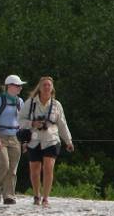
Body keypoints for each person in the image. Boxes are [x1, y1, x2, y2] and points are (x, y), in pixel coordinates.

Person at [18, 77, 74, 207]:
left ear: (52, 88)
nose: (47, 87)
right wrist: (32, 123)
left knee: (48, 168)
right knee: (35, 169)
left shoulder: (56, 105)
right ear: (40, 87)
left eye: (49, 85)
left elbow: (62, 123)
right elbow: (20, 119)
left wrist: (68, 141)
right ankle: (36, 195)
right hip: (34, 140)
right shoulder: (30, 103)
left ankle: (46, 198)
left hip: (51, 139)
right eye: (44, 85)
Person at [0, 75, 27, 205]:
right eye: (17, 86)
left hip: (15, 137)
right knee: (4, 164)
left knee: (13, 168)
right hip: (1, 136)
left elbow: (22, 122)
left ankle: (9, 195)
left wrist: (25, 140)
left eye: (20, 86)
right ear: (9, 86)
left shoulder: (20, 102)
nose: (20, 88)